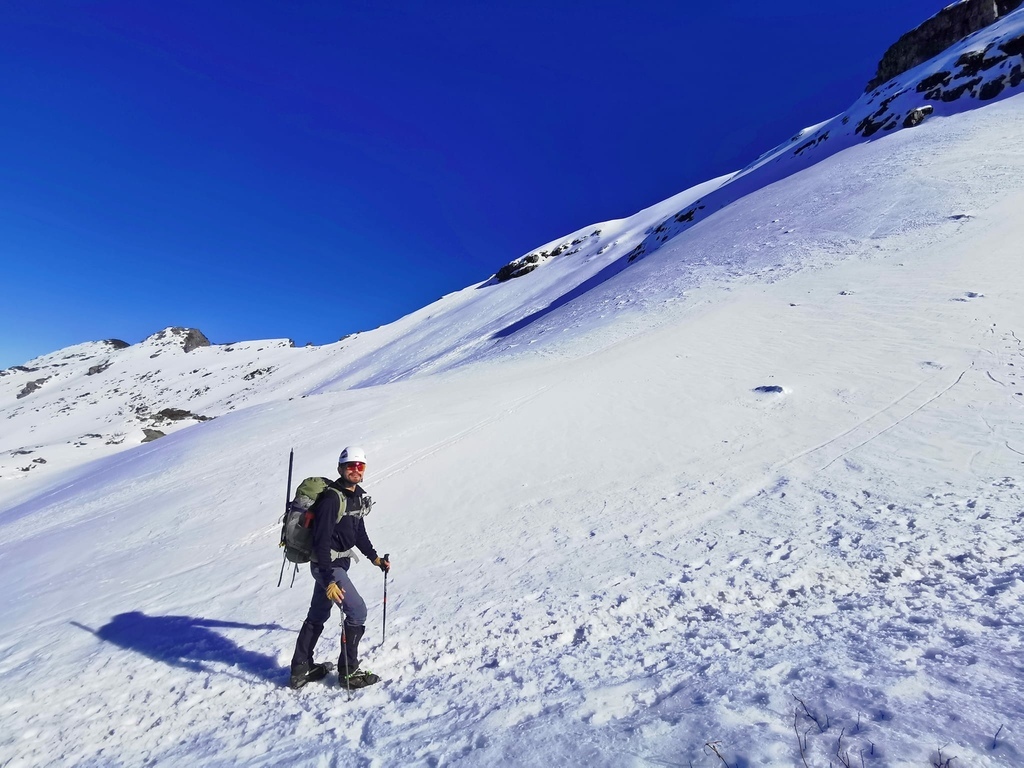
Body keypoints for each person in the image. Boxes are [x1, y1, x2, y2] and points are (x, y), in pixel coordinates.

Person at [289, 446, 391, 690]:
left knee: (317, 615)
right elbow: (320, 541)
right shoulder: (331, 499)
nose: (355, 470)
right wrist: (329, 579)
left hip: (333, 566)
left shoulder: (356, 497)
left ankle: (300, 669)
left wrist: (374, 558)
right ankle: (349, 672)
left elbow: (358, 533)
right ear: (340, 469)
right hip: (328, 567)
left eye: (360, 466)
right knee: (357, 612)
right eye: (350, 466)